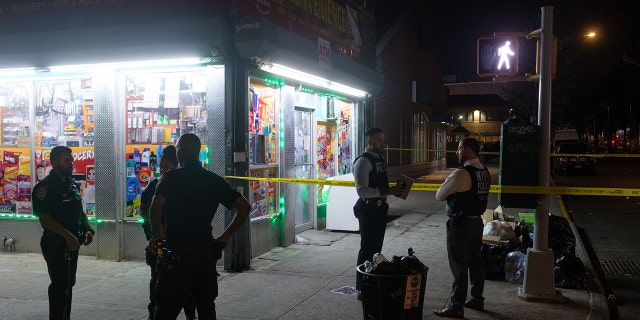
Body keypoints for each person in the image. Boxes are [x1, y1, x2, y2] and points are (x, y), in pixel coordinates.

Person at [148, 133, 251, 320]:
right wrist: (226, 236)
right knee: (206, 310)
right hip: (205, 255)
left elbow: (155, 205)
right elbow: (244, 207)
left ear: (180, 153)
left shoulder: (170, 179)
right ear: (198, 153)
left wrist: (156, 234)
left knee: (164, 312)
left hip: (175, 255)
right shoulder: (213, 180)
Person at [32, 146, 95, 320]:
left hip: (72, 243)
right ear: (54, 162)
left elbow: (79, 211)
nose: (71, 163)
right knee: (60, 286)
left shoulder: (70, 185)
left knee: (68, 284)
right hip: (56, 244)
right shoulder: (45, 187)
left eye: (71, 159)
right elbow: (45, 218)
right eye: (66, 160)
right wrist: (67, 235)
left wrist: (88, 229)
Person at [434, 137, 491, 318]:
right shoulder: (484, 171)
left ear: (468, 150)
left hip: (460, 224)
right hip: (476, 222)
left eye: (459, 148)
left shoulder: (461, 173)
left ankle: (456, 306)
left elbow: (440, 195)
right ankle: (476, 298)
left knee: (459, 265)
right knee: (476, 262)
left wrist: (446, 183)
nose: (457, 151)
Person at [139, 145, 196, 320]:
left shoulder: (184, 186)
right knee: (157, 285)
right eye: (162, 166)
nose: (164, 169)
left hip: (180, 247)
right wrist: (157, 232)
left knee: (185, 286)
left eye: (167, 166)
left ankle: (189, 314)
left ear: (177, 164)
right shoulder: (154, 185)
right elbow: (143, 211)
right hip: (160, 249)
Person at [352, 127, 402, 300]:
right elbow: (362, 191)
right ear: (370, 142)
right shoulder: (363, 162)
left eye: (383, 139)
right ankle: (361, 287)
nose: (383, 143)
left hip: (380, 208)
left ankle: (372, 282)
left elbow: (381, 183)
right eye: (379, 140)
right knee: (367, 248)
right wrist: (386, 190)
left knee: (376, 249)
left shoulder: (380, 158)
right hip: (368, 209)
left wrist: (393, 190)